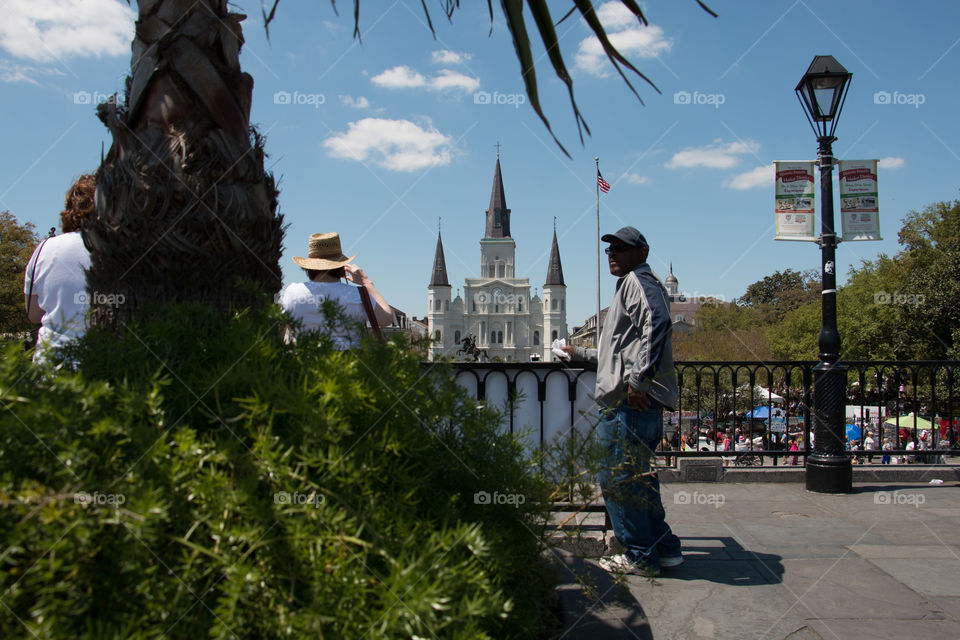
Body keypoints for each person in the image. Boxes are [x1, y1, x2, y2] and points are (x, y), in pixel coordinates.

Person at [560, 226, 681, 576]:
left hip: (630, 403)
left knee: (616, 477)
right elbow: (619, 351)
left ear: (641, 252)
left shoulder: (638, 281)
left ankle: (640, 556)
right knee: (638, 477)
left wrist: (639, 382)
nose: (613, 253)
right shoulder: (632, 284)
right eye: (609, 249)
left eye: (622, 248)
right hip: (636, 400)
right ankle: (665, 548)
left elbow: (658, 322)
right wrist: (579, 352)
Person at [23, 174, 95, 364]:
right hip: (100, 364)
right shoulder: (119, 249)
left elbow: (33, 314)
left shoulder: (43, 249)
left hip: (51, 364)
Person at [279, 232, 393, 349]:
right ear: (342, 267)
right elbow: (387, 318)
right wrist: (366, 282)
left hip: (304, 361)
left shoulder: (292, 292)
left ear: (308, 267)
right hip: (348, 364)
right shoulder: (358, 295)